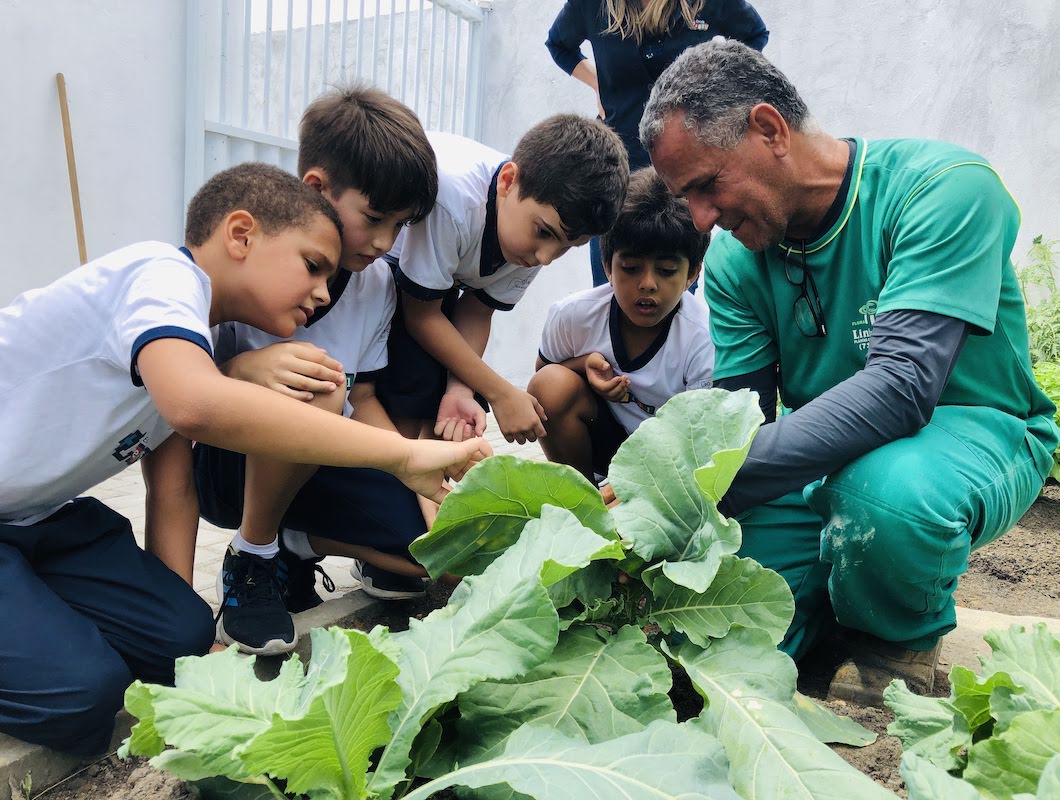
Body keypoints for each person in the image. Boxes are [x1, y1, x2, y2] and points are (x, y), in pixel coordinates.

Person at [0, 163, 490, 754]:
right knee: (82, 696)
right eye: (312, 266)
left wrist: (176, 642)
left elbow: (174, 492)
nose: (321, 292)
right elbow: (196, 405)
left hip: (38, 522)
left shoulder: (184, 344)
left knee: (182, 633)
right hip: (24, 523)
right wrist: (402, 455)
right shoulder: (157, 274)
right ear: (241, 234)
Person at [639, 40, 1058, 704]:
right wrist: (660, 501)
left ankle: (892, 646)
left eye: (705, 185)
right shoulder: (735, 264)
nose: (699, 220)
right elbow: (737, 422)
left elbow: (902, 389)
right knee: (716, 623)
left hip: (975, 432)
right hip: (823, 464)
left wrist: (704, 482)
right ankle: (831, 615)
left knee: (882, 496)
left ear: (768, 129)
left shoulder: (940, 188)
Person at [194, 86, 442, 658]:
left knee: (434, 550)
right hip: (230, 468)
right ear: (317, 189)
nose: (384, 243)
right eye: (375, 218)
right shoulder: (248, 257)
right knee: (319, 385)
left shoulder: (377, 283)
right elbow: (179, 388)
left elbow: (369, 396)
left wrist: (419, 473)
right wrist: (241, 368)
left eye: (400, 226)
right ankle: (252, 559)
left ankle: (295, 545)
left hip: (321, 459)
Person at [376, 114, 630, 450]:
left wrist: (460, 389)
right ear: (508, 182)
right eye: (545, 233)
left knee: (452, 394)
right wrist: (500, 392)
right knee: (416, 372)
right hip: (377, 264)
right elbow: (420, 317)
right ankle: (399, 475)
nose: (546, 258)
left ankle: (422, 479)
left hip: (432, 286)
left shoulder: (533, 230)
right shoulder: (454, 199)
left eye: (568, 247)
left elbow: (477, 312)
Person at [546, 0, 768, 286]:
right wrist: (598, 82)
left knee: (674, 287)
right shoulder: (592, 5)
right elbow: (559, 44)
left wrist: (716, 95)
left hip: (684, 175)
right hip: (616, 174)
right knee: (611, 287)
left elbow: (754, 34)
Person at [528, 167, 712, 484]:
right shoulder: (572, 316)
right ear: (608, 266)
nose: (648, 284)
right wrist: (583, 365)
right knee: (550, 386)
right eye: (630, 267)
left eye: (667, 270)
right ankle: (582, 501)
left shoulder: (703, 340)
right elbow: (543, 379)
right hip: (605, 443)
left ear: (692, 274)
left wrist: (641, 487)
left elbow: (703, 445)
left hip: (675, 463)